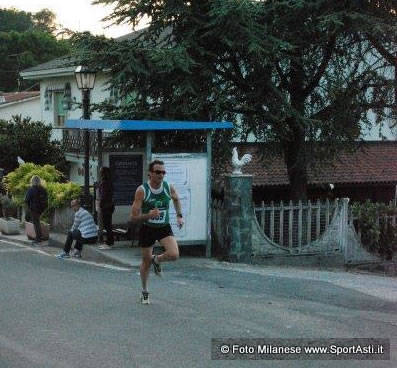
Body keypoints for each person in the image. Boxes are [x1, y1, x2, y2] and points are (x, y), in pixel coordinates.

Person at [130, 160, 184, 304]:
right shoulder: (142, 190)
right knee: (145, 261)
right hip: (147, 228)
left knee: (174, 254)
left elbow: (176, 199)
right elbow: (133, 217)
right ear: (150, 173)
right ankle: (145, 291)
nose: (161, 175)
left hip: (163, 227)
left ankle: (157, 259)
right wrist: (149, 215)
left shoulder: (168, 187)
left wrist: (179, 216)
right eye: (158, 172)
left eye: (163, 172)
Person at [25, 175, 48, 244]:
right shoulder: (43, 189)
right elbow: (46, 200)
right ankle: (39, 236)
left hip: (34, 209)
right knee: (37, 221)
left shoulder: (31, 189)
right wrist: (43, 208)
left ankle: (38, 238)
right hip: (41, 209)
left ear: (32, 181)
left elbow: (27, 200)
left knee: (36, 223)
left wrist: (29, 207)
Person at [97, 167, 115, 250]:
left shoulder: (104, 183)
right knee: (108, 224)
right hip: (110, 206)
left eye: (101, 172)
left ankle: (109, 242)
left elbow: (103, 195)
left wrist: (100, 204)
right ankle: (110, 241)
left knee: (107, 224)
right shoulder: (110, 182)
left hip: (105, 206)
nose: (100, 173)